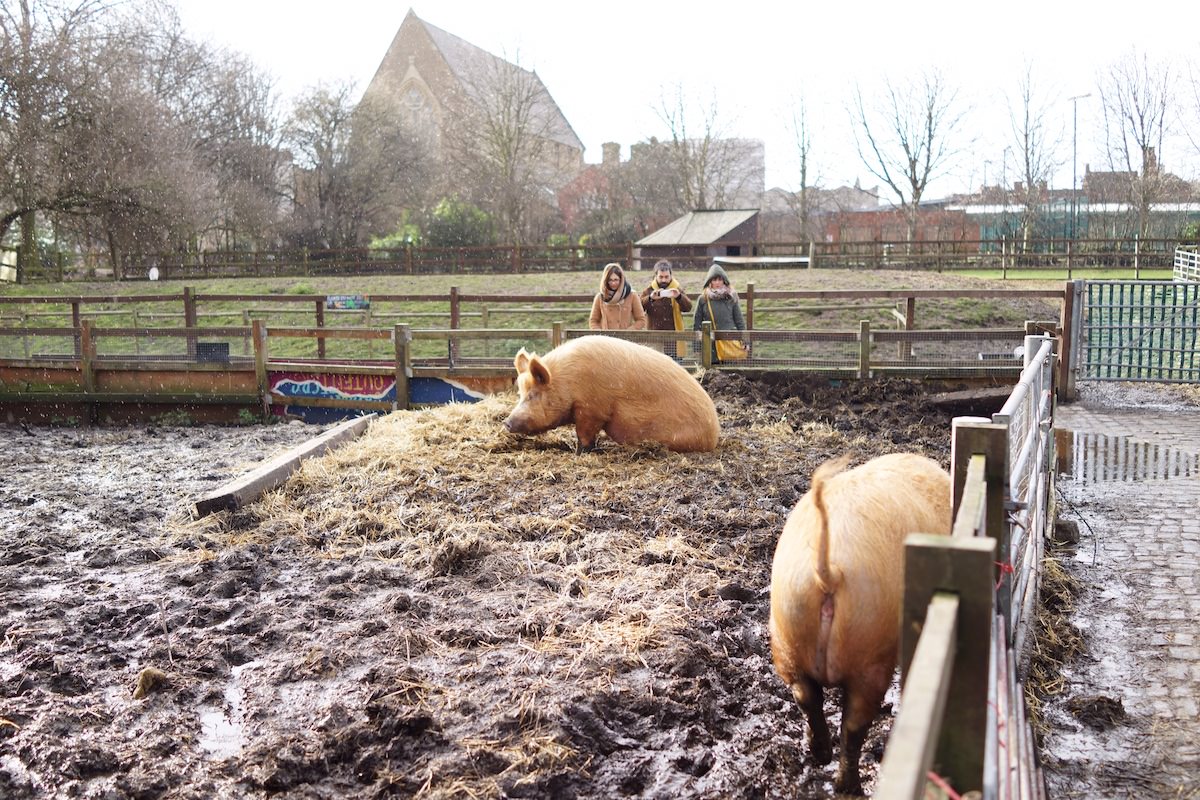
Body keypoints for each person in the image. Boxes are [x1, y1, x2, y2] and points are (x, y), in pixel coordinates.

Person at [692, 262, 747, 362]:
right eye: (714, 279)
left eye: (720, 279)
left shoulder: (731, 297)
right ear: (710, 281)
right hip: (710, 345)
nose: (717, 282)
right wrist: (696, 346)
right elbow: (697, 324)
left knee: (731, 373)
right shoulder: (703, 299)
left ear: (724, 281)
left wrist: (745, 340)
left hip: (729, 343)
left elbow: (739, 321)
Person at [640, 259, 692, 358]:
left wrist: (679, 297)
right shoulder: (649, 290)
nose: (664, 280)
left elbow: (688, 307)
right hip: (654, 337)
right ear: (656, 276)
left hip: (673, 337)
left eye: (666, 277)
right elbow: (639, 307)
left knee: (674, 366)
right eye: (661, 277)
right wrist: (650, 298)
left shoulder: (676, 288)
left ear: (671, 276)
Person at [589, 262, 646, 331]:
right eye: (610, 280)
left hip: (624, 338)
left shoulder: (632, 295)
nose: (613, 283)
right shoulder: (600, 297)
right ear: (606, 281)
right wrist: (600, 334)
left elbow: (641, 320)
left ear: (621, 280)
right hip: (606, 339)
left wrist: (628, 332)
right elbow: (593, 321)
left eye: (616, 280)